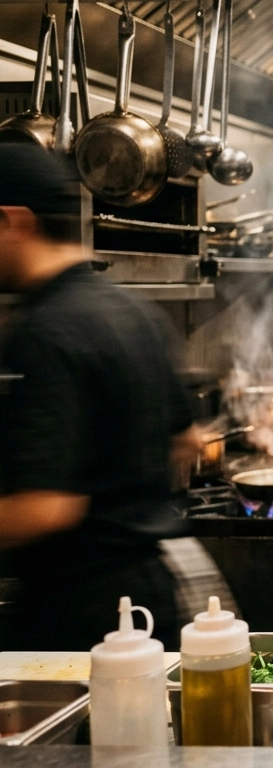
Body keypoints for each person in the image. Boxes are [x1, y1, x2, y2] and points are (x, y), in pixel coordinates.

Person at [0, 145, 190, 651]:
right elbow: (186, 440)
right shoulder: (132, 309)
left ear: (12, 222)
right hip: (150, 595)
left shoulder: (44, 330)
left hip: (81, 615)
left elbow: (46, 508)